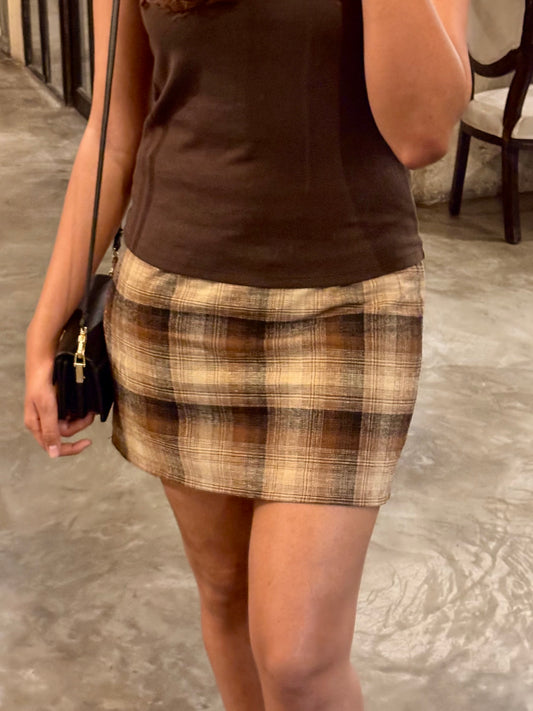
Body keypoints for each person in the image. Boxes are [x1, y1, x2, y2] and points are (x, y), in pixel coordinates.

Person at [24, 1, 471, 709]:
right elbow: (114, 137)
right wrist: (44, 328)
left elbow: (421, 134)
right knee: (227, 594)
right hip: (177, 302)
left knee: (300, 660)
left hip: (347, 306)